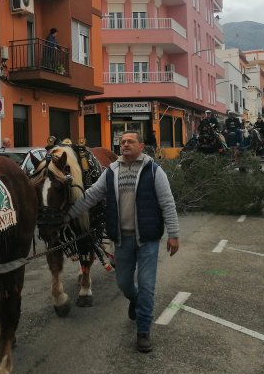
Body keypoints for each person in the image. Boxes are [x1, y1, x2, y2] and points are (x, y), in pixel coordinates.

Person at [63, 130, 179, 353]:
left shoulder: (154, 171)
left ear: (141, 146)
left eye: (130, 141)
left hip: (147, 240)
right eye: (122, 142)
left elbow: (167, 203)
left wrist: (173, 235)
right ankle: (134, 300)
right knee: (124, 283)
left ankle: (143, 332)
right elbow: (90, 197)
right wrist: (67, 217)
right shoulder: (111, 172)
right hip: (122, 240)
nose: (124, 145)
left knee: (147, 286)